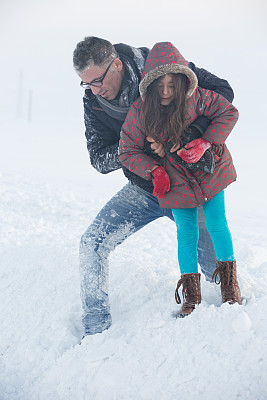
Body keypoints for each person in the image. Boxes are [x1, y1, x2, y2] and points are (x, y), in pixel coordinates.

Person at [73, 36, 235, 335]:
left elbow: (223, 92)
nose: (95, 90)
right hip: (143, 188)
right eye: (87, 84)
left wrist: (194, 133)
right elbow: (99, 158)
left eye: (97, 80)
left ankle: (231, 319)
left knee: (215, 266)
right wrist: (138, 149)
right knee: (91, 244)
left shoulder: (160, 65)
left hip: (186, 188)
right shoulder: (93, 103)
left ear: (116, 64)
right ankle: (95, 329)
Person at [119, 41, 241, 318]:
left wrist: (206, 142)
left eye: (172, 86)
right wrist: (154, 170)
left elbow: (228, 113)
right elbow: (126, 150)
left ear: (183, 83)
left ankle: (230, 289)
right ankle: (191, 296)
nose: (165, 92)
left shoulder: (198, 98)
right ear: (149, 85)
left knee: (217, 224)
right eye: (159, 86)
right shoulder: (140, 112)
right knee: (186, 234)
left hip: (210, 171)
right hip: (175, 182)